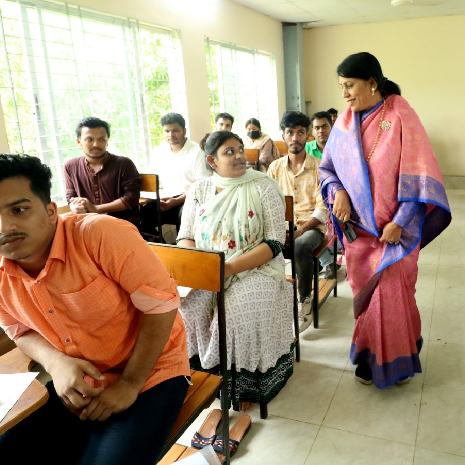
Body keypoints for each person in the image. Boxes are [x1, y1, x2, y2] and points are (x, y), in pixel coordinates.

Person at [0, 154, 189, 465]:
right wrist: (56, 364)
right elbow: (19, 330)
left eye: (19, 209)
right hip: (78, 378)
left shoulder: (100, 235)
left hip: (149, 371)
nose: (5, 227)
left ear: (51, 210)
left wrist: (129, 384)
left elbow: (161, 306)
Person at [320, 52, 451, 387]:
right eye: (342, 87)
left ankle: (399, 361)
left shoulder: (400, 114)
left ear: (372, 82)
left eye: (350, 85)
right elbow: (328, 170)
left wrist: (402, 220)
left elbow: (419, 175)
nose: (345, 94)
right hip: (359, 234)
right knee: (367, 301)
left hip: (395, 233)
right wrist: (340, 194)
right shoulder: (345, 122)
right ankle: (368, 357)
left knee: (392, 299)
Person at [177, 131, 294, 412]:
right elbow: (185, 237)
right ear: (212, 161)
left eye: (240, 149)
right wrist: (204, 266)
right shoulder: (200, 190)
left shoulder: (263, 187)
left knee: (233, 315)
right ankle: (205, 379)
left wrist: (228, 267)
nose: (240, 156)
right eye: (229, 152)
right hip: (210, 269)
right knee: (188, 308)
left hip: (257, 269)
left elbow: (275, 241)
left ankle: (244, 386)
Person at [268, 111, 328, 332]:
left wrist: (299, 231)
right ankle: (274, 299)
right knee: (260, 245)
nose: (295, 137)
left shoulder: (320, 168)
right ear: (283, 136)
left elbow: (323, 209)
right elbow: (269, 203)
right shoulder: (274, 168)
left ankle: (305, 298)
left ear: (308, 136)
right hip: (282, 227)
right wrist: (278, 230)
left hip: (312, 227)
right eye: (290, 132)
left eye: (300, 132)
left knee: (300, 246)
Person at [140, 112, 211, 238]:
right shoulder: (159, 152)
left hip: (190, 199)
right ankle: (162, 248)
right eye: (166, 131)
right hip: (166, 199)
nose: (171, 135)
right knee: (141, 217)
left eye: (175, 130)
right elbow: (154, 180)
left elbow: (201, 186)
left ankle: (183, 251)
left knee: (184, 218)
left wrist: (177, 201)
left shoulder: (197, 151)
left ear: (184, 130)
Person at [64, 117, 141, 227]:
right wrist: (75, 206)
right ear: (79, 141)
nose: (96, 144)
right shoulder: (70, 166)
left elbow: (131, 199)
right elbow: (70, 196)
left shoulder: (124, 164)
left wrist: (95, 209)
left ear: (107, 140)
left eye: (101, 139)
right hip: (88, 225)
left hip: (122, 225)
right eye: (89, 139)